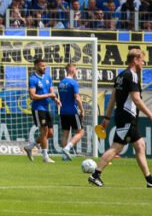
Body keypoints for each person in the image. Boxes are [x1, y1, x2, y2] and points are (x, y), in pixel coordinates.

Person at [89, 49, 152, 187]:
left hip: (122, 116)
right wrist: (150, 114)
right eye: (142, 60)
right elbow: (136, 99)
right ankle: (95, 174)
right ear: (135, 60)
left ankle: (149, 180)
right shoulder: (132, 76)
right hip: (128, 117)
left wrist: (107, 117)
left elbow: (112, 99)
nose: (143, 62)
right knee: (117, 147)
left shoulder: (121, 76)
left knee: (140, 145)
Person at [22, 57, 59, 163]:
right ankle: (45, 156)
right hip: (38, 108)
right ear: (36, 66)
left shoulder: (48, 77)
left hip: (46, 108)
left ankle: (30, 146)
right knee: (44, 131)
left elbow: (51, 93)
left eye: (45, 65)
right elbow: (32, 96)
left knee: (50, 133)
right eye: (42, 66)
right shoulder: (33, 79)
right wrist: (48, 95)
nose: (44, 67)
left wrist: (56, 99)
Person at [57, 62, 85, 161]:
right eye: (76, 70)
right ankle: (67, 148)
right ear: (73, 71)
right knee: (80, 132)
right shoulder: (73, 83)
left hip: (63, 111)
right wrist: (82, 110)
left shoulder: (61, 83)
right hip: (72, 111)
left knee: (65, 133)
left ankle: (64, 156)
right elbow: (77, 98)